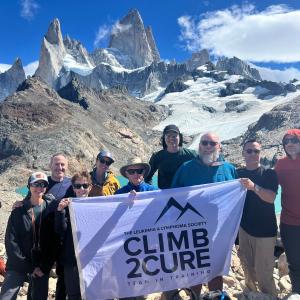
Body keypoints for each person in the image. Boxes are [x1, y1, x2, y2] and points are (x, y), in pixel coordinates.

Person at [171, 132, 237, 296]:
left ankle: (215, 297)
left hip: (219, 233)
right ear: (199, 146)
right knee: (195, 274)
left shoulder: (229, 169)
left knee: (216, 273)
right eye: (204, 143)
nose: (208, 146)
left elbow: (236, 198)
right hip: (193, 232)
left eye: (212, 143)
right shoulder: (186, 168)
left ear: (219, 147)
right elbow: (172, 197)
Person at [0, 172, 59, 300]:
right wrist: (29, 267)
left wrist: (44, 267)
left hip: (41, 264)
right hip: (18, 263)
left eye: (43, 184)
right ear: (29, 186)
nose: (39, 187)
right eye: (36, 184)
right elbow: (11, 242)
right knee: (6, 296)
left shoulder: (50, 209)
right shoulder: (19, 211)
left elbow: (54, 241)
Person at [238, 139, 278, 296]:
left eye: (257, 151)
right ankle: (251, 295)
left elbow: (271, 198)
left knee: (264, 273)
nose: (253, 154)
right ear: (243, 153)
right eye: (249, 151)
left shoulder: (269, 173)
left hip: (265, 232)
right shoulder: (238, 174)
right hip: (244, 229)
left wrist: (254, 187)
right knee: (247, 269)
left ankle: (271, 296)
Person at [116, 157, 156, 300]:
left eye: (139, 170)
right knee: (126, 284)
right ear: (126, 174)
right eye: (131, 171)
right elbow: (113, 219)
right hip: (126, 246)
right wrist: (124, 204)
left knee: (143, 285)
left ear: (144, 172)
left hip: (148, 245)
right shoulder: (119, 193)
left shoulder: (154, 191)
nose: (135, 174)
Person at [55, 171, 92, 300]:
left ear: (90, 187)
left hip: (92, 260)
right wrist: (60, 211)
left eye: (85, 186)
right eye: (77, 186)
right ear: (73, 188)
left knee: (94, 294)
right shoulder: (66, 206)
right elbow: (60, 230)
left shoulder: (98, 206)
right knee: (74, 295)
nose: (81, 189)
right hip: (71, 260)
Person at [275, 129, 300, 294]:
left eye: (294, 140)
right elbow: (271, 186)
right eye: (286, 141)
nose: (290, 144)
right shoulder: (281, 164)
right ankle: (298, 291)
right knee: (295, 262)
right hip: (290, 223)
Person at [145, 124, 197, 189]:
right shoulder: (157, 156)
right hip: (165, 197)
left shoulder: (191, 155)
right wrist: (151, 190)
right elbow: (147, 177)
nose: (171, 138)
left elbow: (204, 168)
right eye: (168, 136)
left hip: (185, 196)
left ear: (179, 137)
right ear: (164, 138)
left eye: (174, 136)